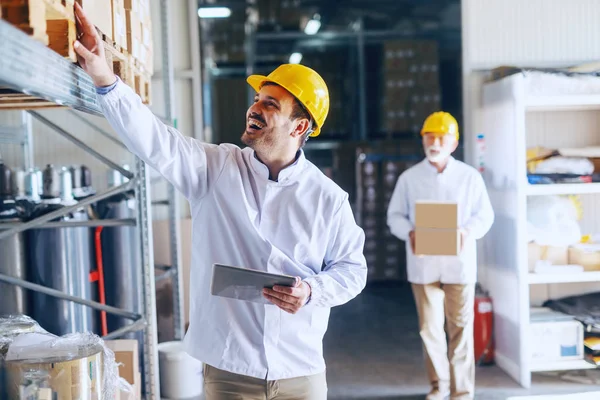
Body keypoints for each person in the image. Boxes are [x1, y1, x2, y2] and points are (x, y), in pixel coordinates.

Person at [72, 4, 367, 399]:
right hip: (229, 370)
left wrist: (312, 291)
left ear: (299, 126)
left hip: (301, 371)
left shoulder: (328, 198)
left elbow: (352, 270)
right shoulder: (216, 168)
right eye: (258, 99)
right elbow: (156, 140)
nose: (254, 108)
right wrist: (106, 80)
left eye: (270, 104)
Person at [386, 112, 494, 400]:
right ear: (422, 139)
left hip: (459, 265)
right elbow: (394, 216)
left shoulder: (469, 177)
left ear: (453, 143)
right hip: (423, 265)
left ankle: (461, 392)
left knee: (460, 329)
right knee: (429, 330)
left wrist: (466, 232)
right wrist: (409, 232)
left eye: (440, 138)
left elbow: (485, 216)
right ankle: (439, 387)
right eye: (429, 137)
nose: (434, 142)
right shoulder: (410, 178)